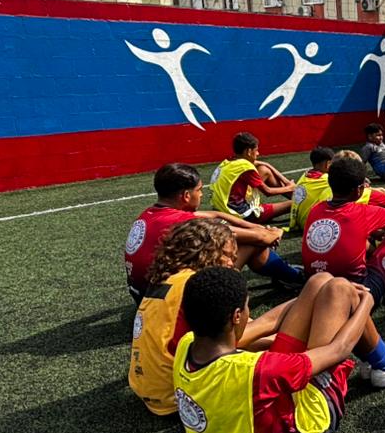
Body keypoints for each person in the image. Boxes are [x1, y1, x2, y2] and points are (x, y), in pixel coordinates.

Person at [172, 268, 385, 433]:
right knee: (341, 291)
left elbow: (270, 320)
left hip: (255, 415)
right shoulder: (257, 370)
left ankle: (336, 300)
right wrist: (366, 302)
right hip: (298, 432)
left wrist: (312, 295)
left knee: (321, 281)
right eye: (248, 306)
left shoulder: (187, 344)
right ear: (236, 316)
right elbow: (339, 349)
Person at [130, 218, 288, 416]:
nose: (231, 263)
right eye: (227, 256)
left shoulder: (167, 278)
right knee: (273, 359)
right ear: (205, 252)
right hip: (179, 395)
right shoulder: (196, 285)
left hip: (149, 388)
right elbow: (234, 340)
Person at [124, 162, 286, 302]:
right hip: (169, 303)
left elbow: (215, 214)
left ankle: (287, 276)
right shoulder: (184, 222)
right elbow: (262, 238)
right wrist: (274, 232)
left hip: (145, 297)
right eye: (199, 190)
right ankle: (292, 276)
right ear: (186, 195)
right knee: (248, 244)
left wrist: (256, 227)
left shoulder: (150, 213)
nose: (201, 194)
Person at [301, 157, 385, 303]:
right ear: (359, 189)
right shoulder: (362, 211)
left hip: (313, 286)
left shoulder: (315, 209)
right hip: (356, 291)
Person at [211, 131, 296, 223]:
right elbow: (268, 192)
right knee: (294, 204)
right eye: (256, 150)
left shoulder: (228, 162)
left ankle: (296, 195)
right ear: (249, 151)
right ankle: (299, 199)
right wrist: (289, 187)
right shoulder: (245, 166)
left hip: (221, 209)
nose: (258, 153)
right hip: (241, 214)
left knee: (264, 170)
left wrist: (286, 181)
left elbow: (264, 166)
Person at [289, 146, 336, 233]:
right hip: (312, 226)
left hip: (298, 223)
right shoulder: (326, 179)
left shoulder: (305, 175)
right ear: (328, 164)